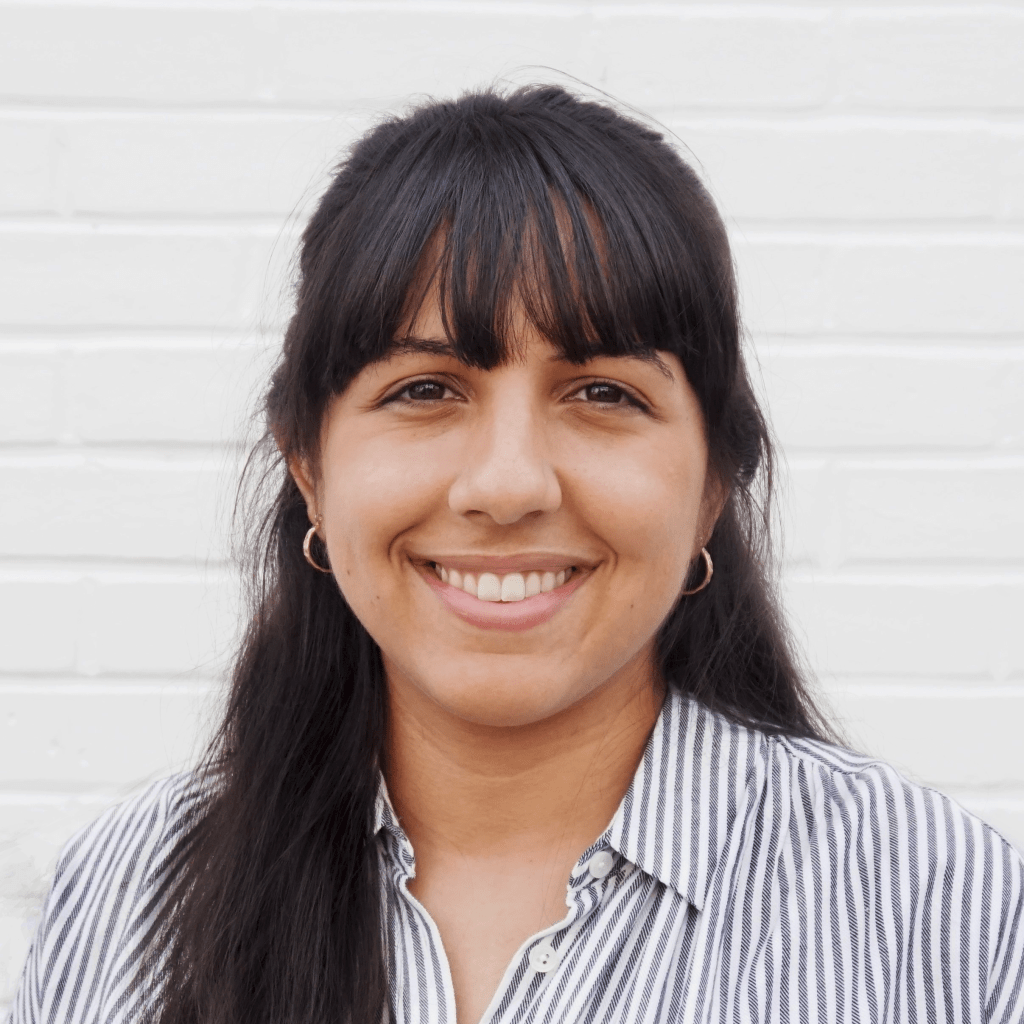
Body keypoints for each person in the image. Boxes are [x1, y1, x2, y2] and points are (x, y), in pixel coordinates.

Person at [9, 84, 1024, 1024]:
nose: (506, 485)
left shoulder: (937, 906)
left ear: (712, 483)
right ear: (308, 467)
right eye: (425, 390)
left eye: (602, 393)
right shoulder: (126, 894)